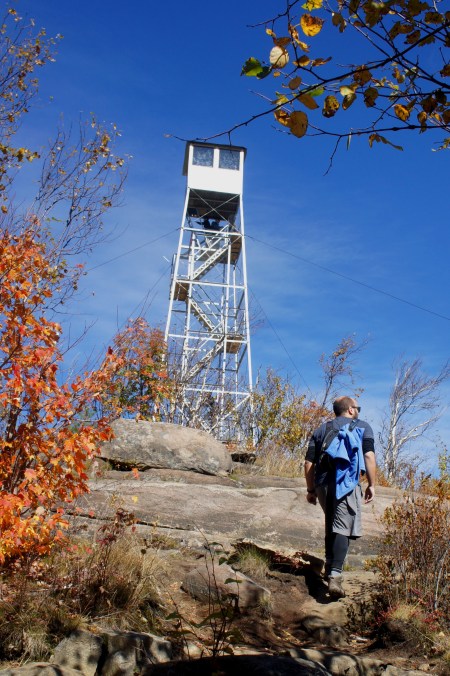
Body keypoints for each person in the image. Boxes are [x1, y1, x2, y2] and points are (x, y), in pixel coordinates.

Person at [304, 396, 376, 599]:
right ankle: (335, 577)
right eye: (357, 407)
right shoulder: (362, 426)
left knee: (332, 524)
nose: (358, 410)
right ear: (351, 410)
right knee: (343, 527)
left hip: (322, 484)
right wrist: (371, 484)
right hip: (347, 482)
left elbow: (308, 463)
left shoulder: (321, 429)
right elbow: (369, 455)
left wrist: (311, 490)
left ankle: (329, 567)